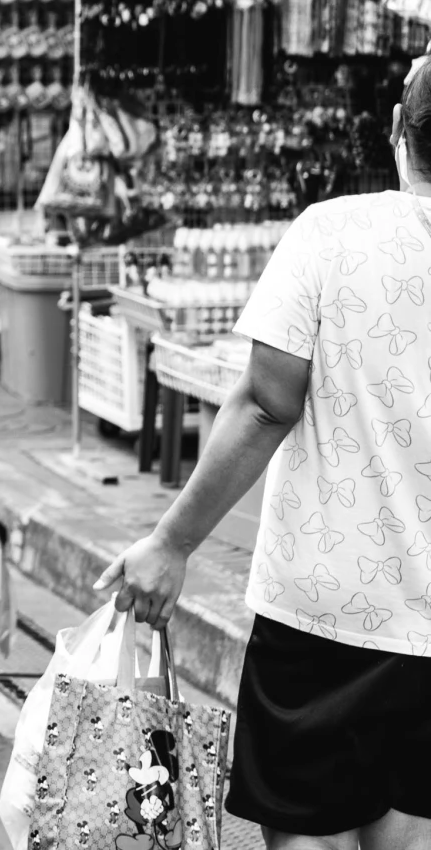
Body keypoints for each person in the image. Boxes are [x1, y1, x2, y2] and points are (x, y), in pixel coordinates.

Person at [97, 61, 431, 850]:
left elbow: (264, 402)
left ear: (396, 128)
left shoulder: (332, 232)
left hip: (322, 607)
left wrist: (172, 542)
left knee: (306, 833)